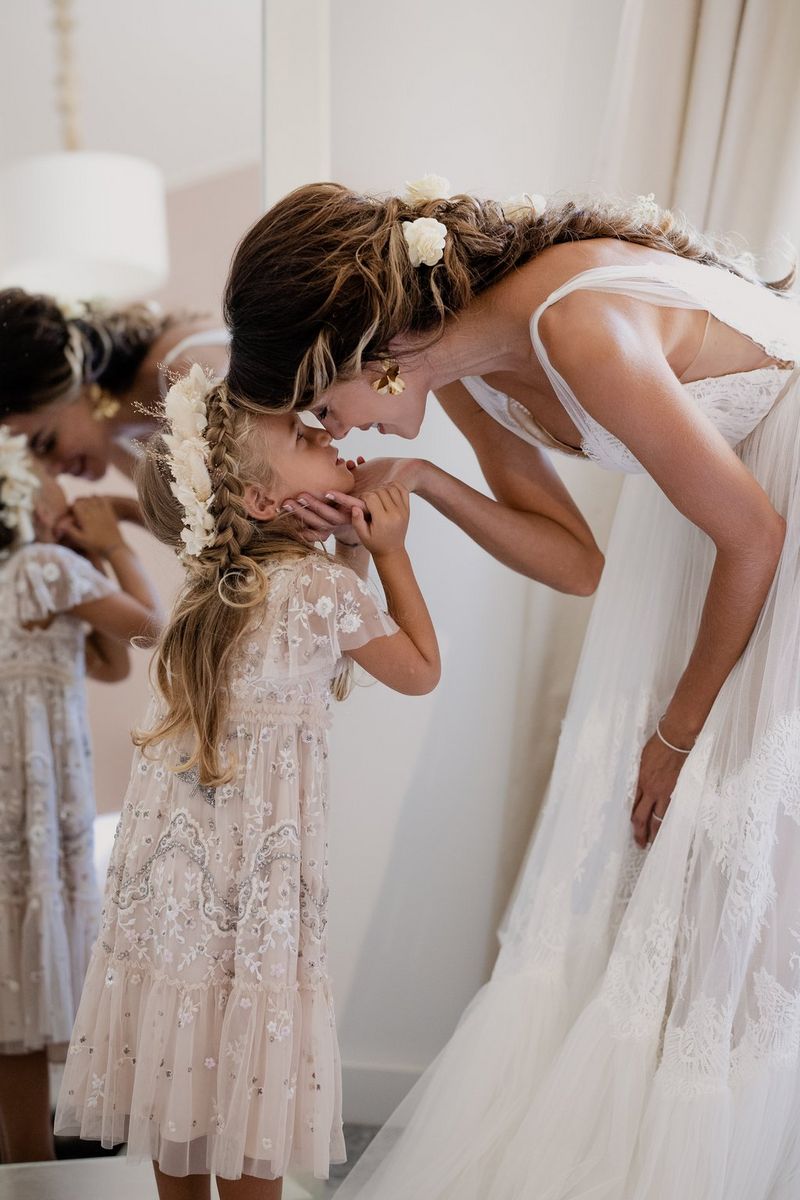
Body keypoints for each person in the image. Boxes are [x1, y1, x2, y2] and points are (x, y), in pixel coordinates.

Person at [220, 179, 800, 1198]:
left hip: (767, 517)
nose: (335, 430)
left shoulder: (569, 326)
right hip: (725, 519)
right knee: (678, 876)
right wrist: (432, 486)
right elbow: (577, 563)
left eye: (322, 406)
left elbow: (753, 533)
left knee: (739, 851)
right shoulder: (456, 371)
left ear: (371, 354)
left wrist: (671, 734)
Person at [54, 366, 439, 1198]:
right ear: (262, 502)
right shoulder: (318, 590)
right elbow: (418, 671)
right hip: (258, 894)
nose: (329, 435)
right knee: (250, 1078)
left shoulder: (212, 595)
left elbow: (326, 644)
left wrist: (346, 553)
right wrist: (388, 551)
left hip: (175, 891)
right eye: (305, 437)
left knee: (182, 1068)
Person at [0, 430, 162, 1162]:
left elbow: (101, 661)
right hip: (33, 802)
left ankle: (23, 1160)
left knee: (14, 997)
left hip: (22, 801)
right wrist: (116, 540)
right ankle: (34, 1166)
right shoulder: (42, 568)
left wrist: (89, 554)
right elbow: (148, 629)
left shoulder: (36, 573)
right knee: (27, 996)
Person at [0, 288, 229, 484]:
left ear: (71, 379)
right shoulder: (116, 438)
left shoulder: (187, 377)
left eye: (46, 443)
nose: (50, 472)